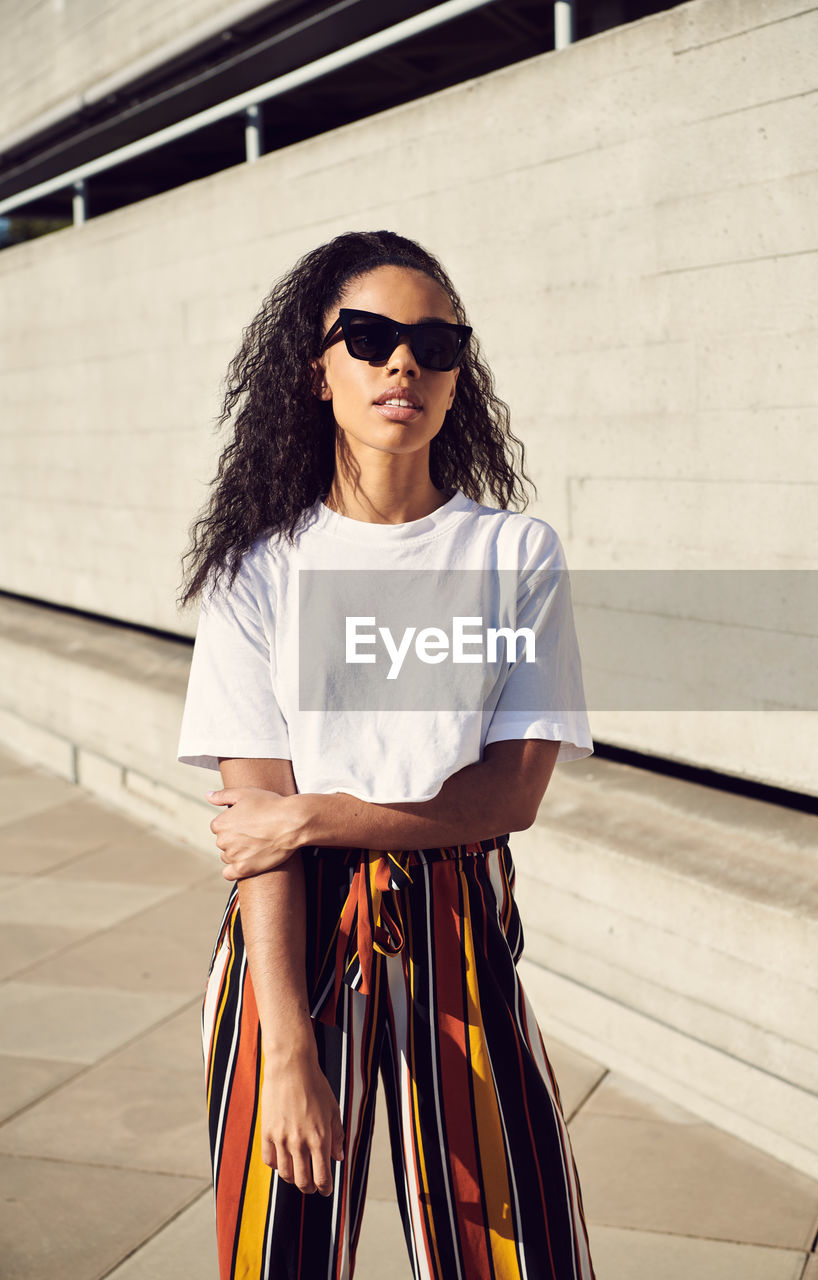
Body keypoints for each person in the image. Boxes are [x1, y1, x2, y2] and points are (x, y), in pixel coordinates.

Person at [176, 229, 596, 1280]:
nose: (402, 362)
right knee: (280, 1255)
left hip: (461, 924)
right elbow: (253, 831)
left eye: (434, 341)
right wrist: (285, 1051)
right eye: (367, 337)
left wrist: (315, 812)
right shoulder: (259, 571)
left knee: (519, 1252)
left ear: (460, 372)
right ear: (317, 370)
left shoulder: (513, 555)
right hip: (292, 939)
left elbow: (508, 793)